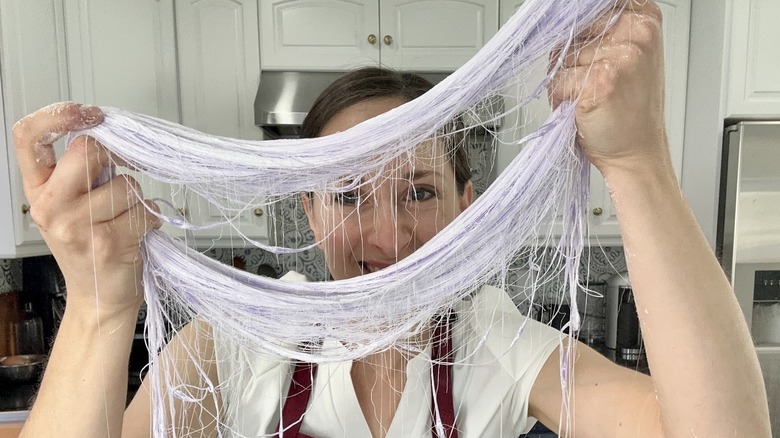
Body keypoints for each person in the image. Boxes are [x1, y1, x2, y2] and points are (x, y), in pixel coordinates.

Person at [11, 1, 771, 437]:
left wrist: (639, 164)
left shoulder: (491, 342)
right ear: (307, 211)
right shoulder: (239, 343)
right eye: (347, 195)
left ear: (467, 210)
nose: (388, 238)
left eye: (418, 192)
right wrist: (100, 308)